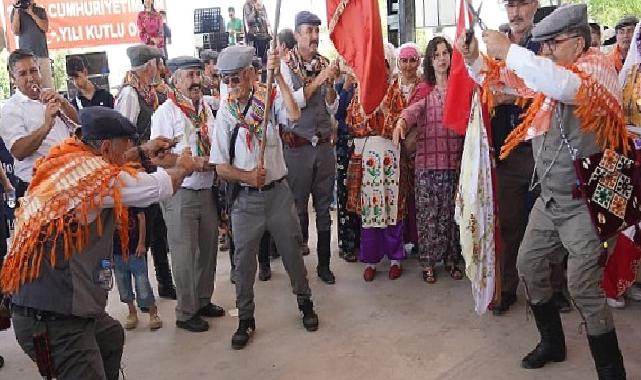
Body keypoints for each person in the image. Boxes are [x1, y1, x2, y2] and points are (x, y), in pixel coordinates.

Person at [461, 4, 627, 377]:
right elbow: (504, 81)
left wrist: (511, 50)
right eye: (544, 44)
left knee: (582, 287)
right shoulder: (552, 70)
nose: (546, 50)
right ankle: (552, 342)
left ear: (580, 42)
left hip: (587, 204)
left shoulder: (596, 66)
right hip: (552, 199)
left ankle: (612, 370)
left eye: (554, 42)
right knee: (528, 265)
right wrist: (475, 60)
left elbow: (561, 85)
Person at [1, 106, 197, 380]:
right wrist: (183, 168)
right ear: (105, 146)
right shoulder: (93, 179)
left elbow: (114, 161)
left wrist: (143, 152)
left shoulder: (69, 158)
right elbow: (156, 187)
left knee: (110, 337)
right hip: (50, 317)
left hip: (50, 308)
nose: (127, 152)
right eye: (124, 145)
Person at [211, 45, 319, 350]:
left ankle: (305, 303)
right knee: (243, 266)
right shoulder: (226, 115)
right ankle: (245, 318)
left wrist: (280, 79)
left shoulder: (269, 98)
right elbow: (220, 167)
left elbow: (295, 113)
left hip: (278, 196)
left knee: (293, 255)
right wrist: (246, 176)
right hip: (245, 203)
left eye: (236, 79)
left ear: (250, 75)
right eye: (226, 80)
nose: (231, 86)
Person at [488, 0, 571, 316]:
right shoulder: (495, 43)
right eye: (509, 5)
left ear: (534, 5)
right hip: (508, 155)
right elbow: (483, 86)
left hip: (544, 153)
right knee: (510, 224)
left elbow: (549, 87)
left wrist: (508, 94)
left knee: (553, 224)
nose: (515, 12)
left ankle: (555, 290)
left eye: (522, 3)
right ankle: (508, 288)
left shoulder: (547, 44)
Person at [151, 56, 223, 333]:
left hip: (206, 189)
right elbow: (158, 157)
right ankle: (185, 312)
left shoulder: (205, 107)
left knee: (208, 249)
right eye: (189, 76)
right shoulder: (166, 112)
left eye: (197, 74)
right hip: (180, 192)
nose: (195, 80)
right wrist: (189, 163)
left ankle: (202, 301)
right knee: (183, 254)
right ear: (176, 80)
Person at [394, 36, 465, 284]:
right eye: (436, 55)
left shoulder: (460, 89)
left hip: (454, 163)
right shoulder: (425, 89)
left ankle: (452, 259)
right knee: (428, 217)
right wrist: (402, 123)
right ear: (430, 61)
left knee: (451, 216)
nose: (441, 59)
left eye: (445, 53)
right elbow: (413, 111)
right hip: (427, 165)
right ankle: (428, 262)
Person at [280, 11, 340, 284]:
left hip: (324, 146)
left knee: (325, 209)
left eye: (317, 31)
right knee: (298, 208)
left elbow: (331, 106)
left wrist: (329, 88)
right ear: (297, 35)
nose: (315, 36)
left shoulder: (324, 63)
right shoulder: (285, 65)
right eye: (309, 31)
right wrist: (319, 80)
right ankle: (297, 265)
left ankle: (324, 265)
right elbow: (293, 103)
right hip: (298, 149)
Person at [116, 44, 176, 300]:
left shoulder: (149, 92)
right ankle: (151, 288)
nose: (160, 70)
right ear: (149, 66)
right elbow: (123, 134)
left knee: (159, 228)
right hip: (137, 168)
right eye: (157, 64)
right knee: (146, 229)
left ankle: (164, 281)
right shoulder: (130, 95)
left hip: (150, 165)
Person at [345, 43, 406, 281]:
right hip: (368, 158)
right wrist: (375, 118)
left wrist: (380, 116)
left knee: (392, 208)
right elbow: (353, 123)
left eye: (383, 64)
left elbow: (398, 122)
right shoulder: (360, 91)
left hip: (390, 156)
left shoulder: (395, 90)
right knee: (371, 210)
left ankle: (395, 258)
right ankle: (370, 260)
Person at [0, 49, 78, 201]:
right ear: (12, 79)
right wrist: (47, 125)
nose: (30, 78)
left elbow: (78, 124)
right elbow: (19, 151)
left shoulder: (49, 96)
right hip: (37, 189)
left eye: (33, 71)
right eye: (22, 74)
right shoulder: (10, 109)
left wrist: (63, 102)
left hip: (68, 181)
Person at [396, 43, 431, 257]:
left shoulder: (425, 85)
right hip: (396, 149)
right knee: (399, 195)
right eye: (404, 60)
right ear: (398, 63)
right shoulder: (392, 86)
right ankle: (399, 241)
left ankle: (419, 241)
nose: (408, 65)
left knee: (418, 197)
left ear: (418, 62)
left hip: (419, 149)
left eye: (412, 60)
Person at [619, 21, 641, 304]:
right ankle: (617, 283)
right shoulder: (630, 76)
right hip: (631, 159)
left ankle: (632, 279)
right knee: (627, 224)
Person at [113, 207, 162, 331]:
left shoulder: (133, 199)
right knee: (123, 284)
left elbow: (142, 219)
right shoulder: (108, 203)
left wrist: (141, 243)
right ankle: (132, 311)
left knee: (142, 283)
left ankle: (152, 312)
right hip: (117, 253)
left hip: (135, 251)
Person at [334, 72, 360, 263]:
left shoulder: (368, 83)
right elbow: (336, 113)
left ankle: (361, 242)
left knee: (362, 193)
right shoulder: (339, 86)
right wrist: (345, 88)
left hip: (362, 143)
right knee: (345, 193)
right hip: (344, 144)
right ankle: (347, 244)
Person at [10, 0, 53, 89]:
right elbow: (15, 31)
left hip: (41, 54)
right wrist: (17, 8)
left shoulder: (40, 11)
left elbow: (45, 27)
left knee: (47, 86)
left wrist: (32, 14)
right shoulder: (16, 12)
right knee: (29, 87)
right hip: (26, 58)